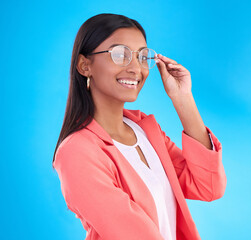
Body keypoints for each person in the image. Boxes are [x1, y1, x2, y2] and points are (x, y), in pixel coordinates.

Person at [52, 13, 227, 240]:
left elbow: (208, 186)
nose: (136, 68)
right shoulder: (76, 151)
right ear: (85, 65)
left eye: (142, 57)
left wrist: (182, 98)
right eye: (120, 55)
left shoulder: (144, 130)